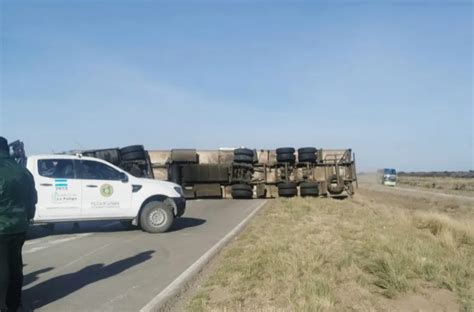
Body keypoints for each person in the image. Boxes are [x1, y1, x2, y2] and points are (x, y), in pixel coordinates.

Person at [0, 137, 37, 312]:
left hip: (1, 228)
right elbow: (32, 199)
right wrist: (27, 218)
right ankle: (14, 304)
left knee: (2, 269)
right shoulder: (22, 171)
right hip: (19, 227)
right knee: (15, 265)